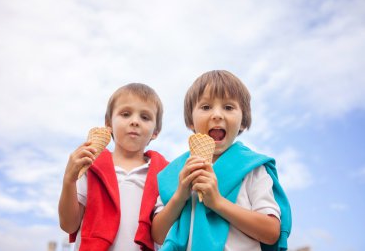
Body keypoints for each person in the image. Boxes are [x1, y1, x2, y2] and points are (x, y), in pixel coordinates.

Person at [151, 70, 292, 251]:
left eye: (228, 107)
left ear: (243, 121)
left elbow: (271, 232)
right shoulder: (176, 172)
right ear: (190, 121)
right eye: (206, 107)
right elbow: (158, 235)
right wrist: (180, 195)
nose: (217, 114)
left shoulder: (253, 169)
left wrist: (217, 202)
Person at [58, 83, 168, 251]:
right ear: (108, 123)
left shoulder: (163, 174)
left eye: (145, 117)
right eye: (125, 114)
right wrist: (69, 180)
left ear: (155, 131)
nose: (135, 121)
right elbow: (68, 225)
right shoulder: (90, 165)